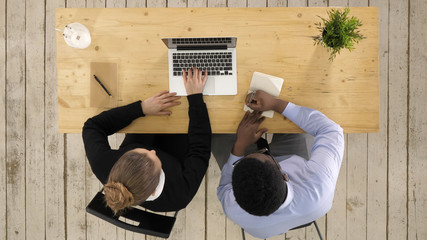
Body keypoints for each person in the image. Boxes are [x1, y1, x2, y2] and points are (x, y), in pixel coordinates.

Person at [216, 90, 344, 239]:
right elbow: (331, 130)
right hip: (299, 176)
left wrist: (240, 146)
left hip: (283, 208)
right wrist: (275, 104)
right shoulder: (319, 183)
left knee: (218, 129)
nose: (262, 150)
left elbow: (224, 186)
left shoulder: (233, 208)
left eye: (263, 151)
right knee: (297, 106)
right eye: (264, 153)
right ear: (284, 174)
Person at [83, 67, 211, 214]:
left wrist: (141, 108)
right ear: (154, 191)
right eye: (156, 159)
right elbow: (200, 150)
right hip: (184, 143)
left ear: (122, 158)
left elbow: (92, 127)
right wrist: (195, 98)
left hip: (147, 122)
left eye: (140, 151)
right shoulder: (179, 195)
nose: (153, 150)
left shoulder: (103, 164)